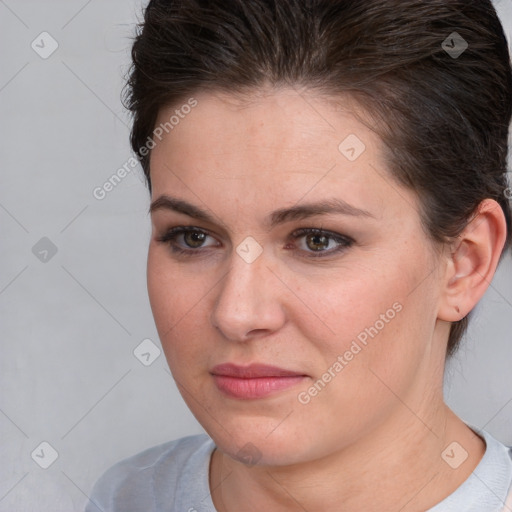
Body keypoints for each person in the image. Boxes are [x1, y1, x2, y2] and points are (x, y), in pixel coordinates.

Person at [85, 0, 512, 510]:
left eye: (317, 240)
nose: (236, 314)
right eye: (193, 237)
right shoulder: (126, 498)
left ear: (464, 263)